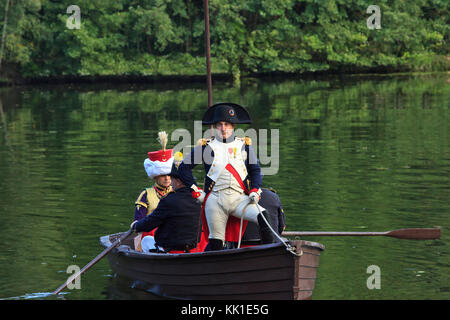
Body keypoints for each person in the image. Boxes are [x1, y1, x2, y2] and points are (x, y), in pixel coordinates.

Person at [177, 102, 275, 251]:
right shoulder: (206, 146)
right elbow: (184, 168)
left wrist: (255, 189)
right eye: (220, 124)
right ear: (215, 126)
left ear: (233, 126)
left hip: (239, 199)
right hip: (215, 200)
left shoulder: (245, 145)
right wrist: (196, 190)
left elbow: (256, 170)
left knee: (264, 217)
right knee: (216, 243)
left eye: (227, 124)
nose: (223, 128)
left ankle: (269, 254)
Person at [130, 158, 202, 253]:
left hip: (170, 250)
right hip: (194, 249)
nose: (169, 181)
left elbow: (149, 223)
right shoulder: (199, 198)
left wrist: (136, 226)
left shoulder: (169, 200)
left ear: (179, 181)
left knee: (146, 240)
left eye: (171, 178)